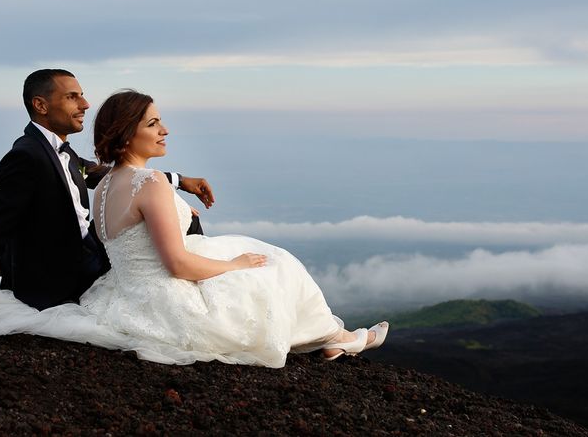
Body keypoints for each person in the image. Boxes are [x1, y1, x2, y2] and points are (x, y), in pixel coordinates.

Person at [78, 90, 387, 366]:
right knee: (274, 266)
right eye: (153, 124)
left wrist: (178, 209)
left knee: (258, 257)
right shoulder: (151, 182)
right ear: (127, 134)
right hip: (166, 301)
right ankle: (338, 337)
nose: (165, 130)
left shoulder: (104, 186)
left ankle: (334, 337)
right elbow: (177, 264)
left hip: (125, 295)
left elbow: (137, 234)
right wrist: (233, 266)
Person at [0, 69, 214, 342]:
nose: (85, 104)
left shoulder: (61, 152)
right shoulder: (25, 158)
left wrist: (178, 180)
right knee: (182, 222)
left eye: (82, 95)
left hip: (91, 254)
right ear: (40, 105)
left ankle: (189, 274)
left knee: (179, 211)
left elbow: (112, 174)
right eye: (72, 97)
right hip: (62, 277)